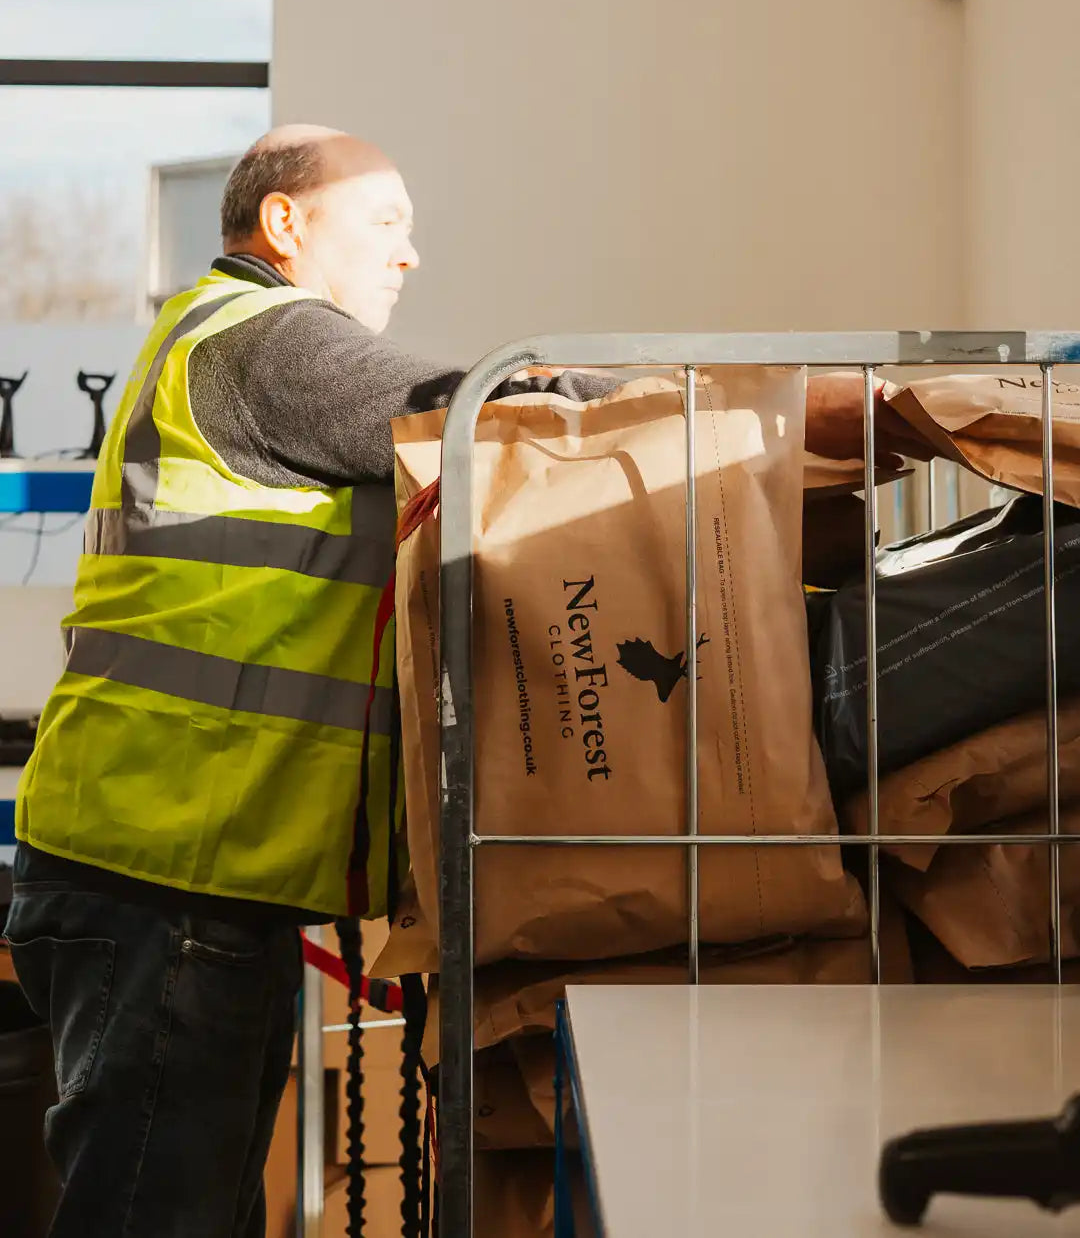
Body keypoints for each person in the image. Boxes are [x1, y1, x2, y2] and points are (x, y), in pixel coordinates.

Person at [3, 125, 928, 1237]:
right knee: (158, 1216)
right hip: (163, 871)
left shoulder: (213, 337)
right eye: (385, 223)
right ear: (285, 224)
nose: (410, 255)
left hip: (169, 864)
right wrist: (775, 412)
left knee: (186, 1212)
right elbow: (497, 410)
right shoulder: (268, 342)